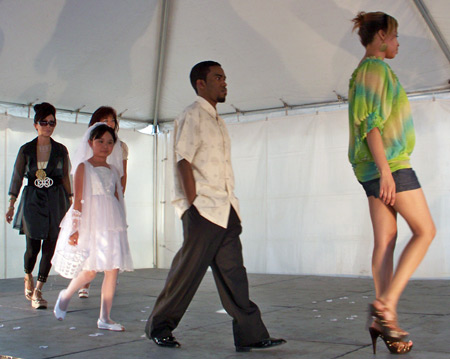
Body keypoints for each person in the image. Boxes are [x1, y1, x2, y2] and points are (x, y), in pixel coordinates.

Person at [145, 61, 286, 352]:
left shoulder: (218, 120)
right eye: (218, 77)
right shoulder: (192, 115)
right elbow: (183, 160)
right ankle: (159, 327)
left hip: (226, 208)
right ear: (201, 84)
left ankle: (251, 333)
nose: (224, 83)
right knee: (187, 272)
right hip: (202, 210)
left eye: (225, 77)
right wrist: (193, 203)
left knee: (234, 274)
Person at [348, 12, 435, 354]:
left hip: (374, 168)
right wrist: (386, 170)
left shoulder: (362, 71)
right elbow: (371, 124)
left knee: (386, 239)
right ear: (382, 35)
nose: (398, 44)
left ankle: (384, 321)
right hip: (390, 166)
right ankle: (386, 304)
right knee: (425, 231)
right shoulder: (375, 69)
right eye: (396, 37)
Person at [52, 123, 133, 331]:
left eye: (109, 142)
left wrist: (121, 223)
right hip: (91, 220)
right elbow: (77, 199)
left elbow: (117, 197)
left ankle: (105, 318)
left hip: (111, 221)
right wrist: (75, 228)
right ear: (90, 142)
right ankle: (66, 295)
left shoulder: (114, 170)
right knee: (89, 271)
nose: (105, 146)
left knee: (112, 268)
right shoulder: (83, 167)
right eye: (100, 141)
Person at [5, 102, 72, 309]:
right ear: (35, 124)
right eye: (44, 122)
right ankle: (28, 276)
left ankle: (39, 290)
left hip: (55, 199)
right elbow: (17, 177)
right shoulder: (26, 149)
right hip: (33, 199)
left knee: (50, 246)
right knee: (32, 247)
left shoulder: (61, 150)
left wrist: (72, 203)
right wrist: (11, 204)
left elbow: (66, 177)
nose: (48, 126)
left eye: (52, 122)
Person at [77, 106, 129, 299]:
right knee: (90, 240)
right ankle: (85, 282)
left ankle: (109, 278)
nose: (109, 124)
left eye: (112, 121)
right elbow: (81, 170)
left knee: (110, 242)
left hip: (110, 197)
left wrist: (118, 197)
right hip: (91, 198)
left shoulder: (121, 146)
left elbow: (122, 174)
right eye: (104, 120)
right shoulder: (90, 143)